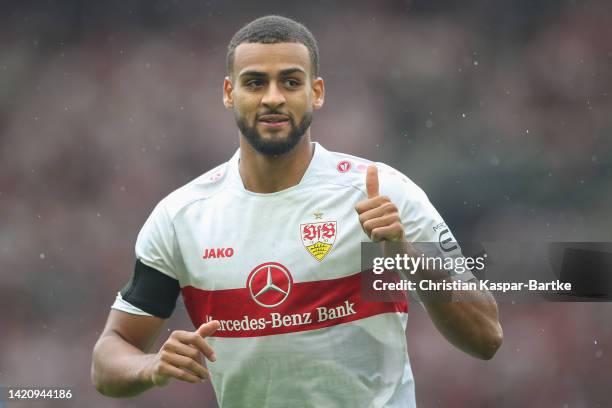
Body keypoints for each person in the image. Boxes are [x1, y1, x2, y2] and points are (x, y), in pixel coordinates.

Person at [91, 15, 502, 408]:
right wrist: (150, 366)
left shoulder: (382, 192)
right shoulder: (183, 217)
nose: (273, 98)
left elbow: (487, 335)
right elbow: (108, 356)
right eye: (255, 83)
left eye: (290, 81)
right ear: (229, 93)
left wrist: (406, 257)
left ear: (317, 92)